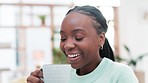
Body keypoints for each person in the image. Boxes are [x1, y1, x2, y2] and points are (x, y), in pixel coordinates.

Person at [26, 5, 138, 83]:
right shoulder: (60, 77)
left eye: (78, 37)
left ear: (101, 39)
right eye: (63, 38)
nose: (67, 45)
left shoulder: (120, 74)